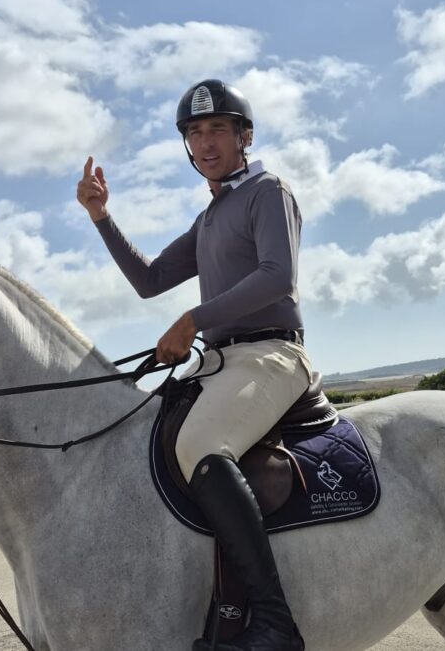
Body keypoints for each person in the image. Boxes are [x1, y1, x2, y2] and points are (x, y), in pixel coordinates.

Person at [76, 78, 310, 651]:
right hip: (223, 362)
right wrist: (101, 217)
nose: (206, 143)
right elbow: (150, 280)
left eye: (218, 130)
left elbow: (278, 276)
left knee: (201, 447)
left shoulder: (267, 191)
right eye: (195, 133)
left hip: (273, 354)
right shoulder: (210, 217)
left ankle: (275, 622)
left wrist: (193, 320)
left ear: (243, 136)